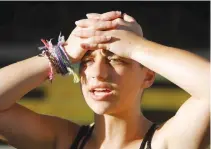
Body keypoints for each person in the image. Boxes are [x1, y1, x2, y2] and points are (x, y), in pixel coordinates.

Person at [0, 11, 209, 149]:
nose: (98, 73)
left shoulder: (167, 142)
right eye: (87, 60)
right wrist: (60, 55)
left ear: (148, 75)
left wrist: (137, 47)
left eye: (116, 59)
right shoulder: (62, 140)